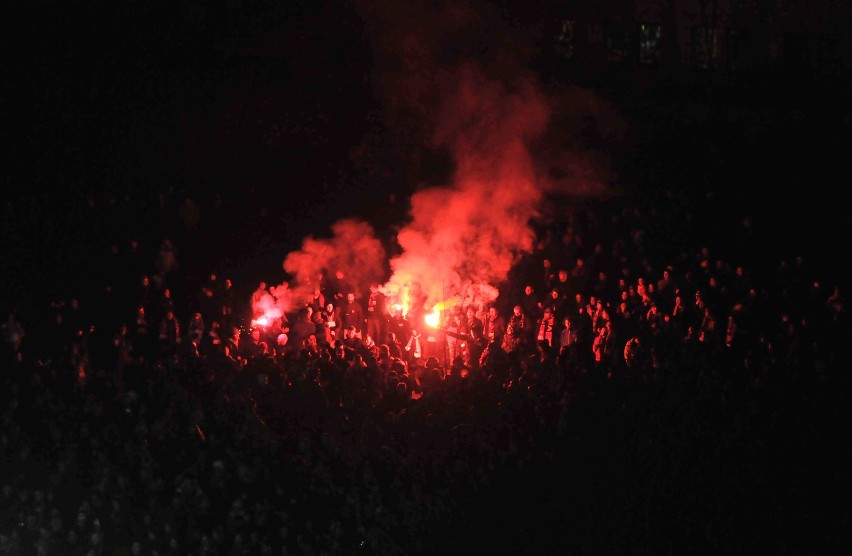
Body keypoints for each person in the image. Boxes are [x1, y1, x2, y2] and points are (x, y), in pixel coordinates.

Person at [365, 283, 388, 347]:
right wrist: (366, 316)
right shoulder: (370, 295)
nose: (370, 289)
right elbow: (367, 306)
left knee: (378, 333)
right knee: (370, 332)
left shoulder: (380, 296)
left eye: (371, 287)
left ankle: (378, 346)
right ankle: (369, 345)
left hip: (377, 318)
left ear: (375, 288)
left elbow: (381, 307)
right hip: (370, 317)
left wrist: (374, 309)